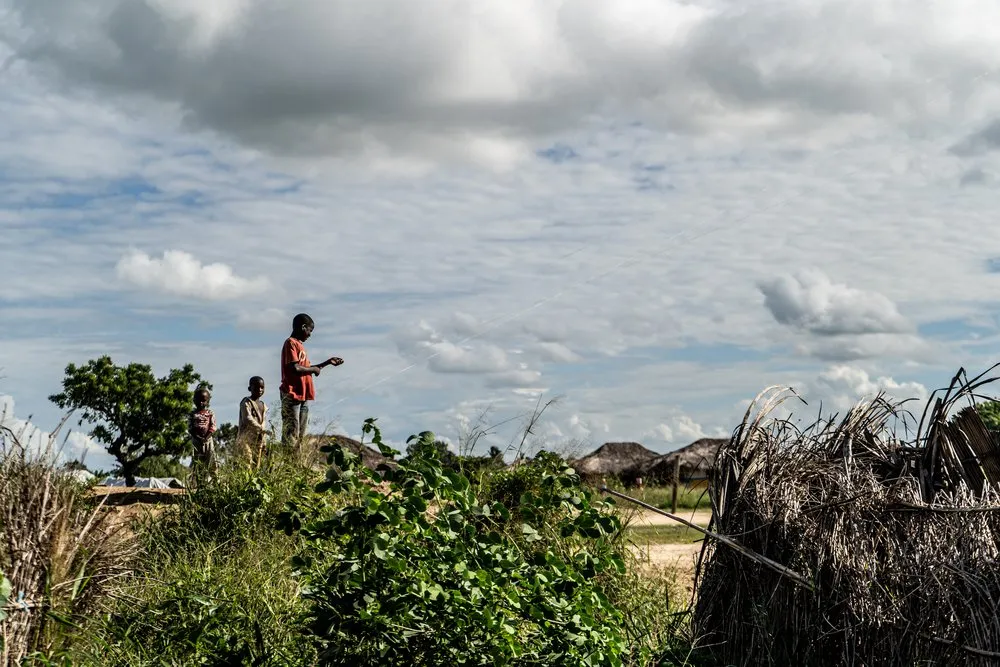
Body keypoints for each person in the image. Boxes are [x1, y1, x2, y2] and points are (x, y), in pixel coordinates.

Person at [280, 313, 343, 451]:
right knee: (291, 433)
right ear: (303, 327)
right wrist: (313, 368)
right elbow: (295, 368)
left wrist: (326, 363)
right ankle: (288, 463)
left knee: (300, 435)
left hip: (303, 395)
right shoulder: (291, 343)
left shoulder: (300, 346)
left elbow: (307, 369)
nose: (310, 334)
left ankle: (295, 464)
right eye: (309, 330)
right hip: (293, 394)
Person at [237, 376, 269, 468]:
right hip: (245, 439)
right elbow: (247, 419)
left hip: (258, 439)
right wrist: (261, 429)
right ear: (250, 388)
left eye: (262, 387)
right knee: (247, 462)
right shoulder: (246, 402)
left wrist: (264, 441)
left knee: (257, 465)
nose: (260, 389)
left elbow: (263, 422)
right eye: (256, 387)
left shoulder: (263, 405)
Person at [189, 385, 218, 482]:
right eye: (199, 400)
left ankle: (215, 481)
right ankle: (200, 483)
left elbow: (213, 426)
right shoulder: (193, 414)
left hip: (208, 441)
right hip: (196, 442)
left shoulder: (210, 413)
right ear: (194, 400)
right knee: (198, 462)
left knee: (211, 460)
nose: (201, 403)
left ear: (207, 401)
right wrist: (198, 438)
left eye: (204, 401)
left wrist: (206, 437)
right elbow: (190, 428)